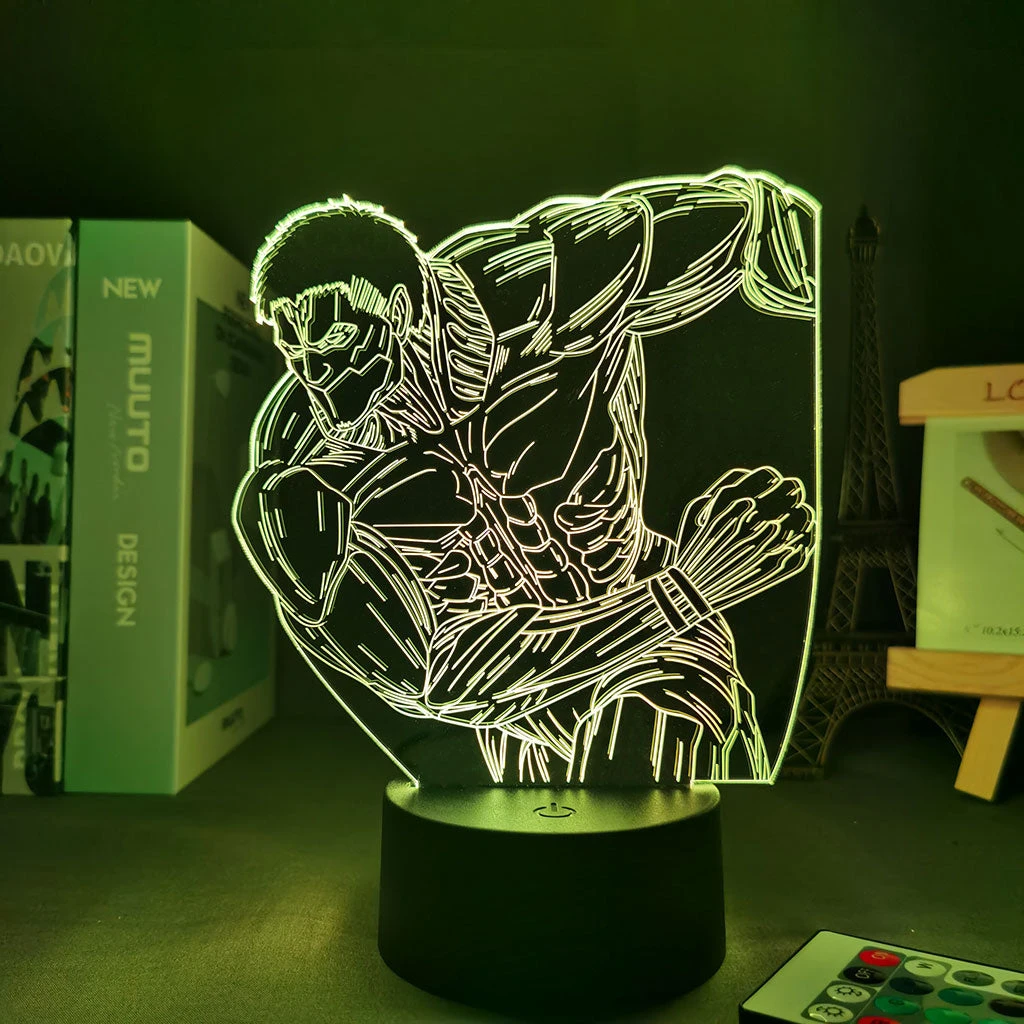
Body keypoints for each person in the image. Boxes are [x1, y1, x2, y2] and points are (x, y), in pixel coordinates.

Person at [233, 168, 817, 784]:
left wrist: (799, 263)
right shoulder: (295, 482)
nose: (314, 372)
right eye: (293, 346)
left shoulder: (552, 278)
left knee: (643, 749)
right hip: (523, 710)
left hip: (658, 645)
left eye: (336, 338)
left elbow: (753, 224)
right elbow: (437, 677)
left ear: (400, 309)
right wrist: (689, 588)